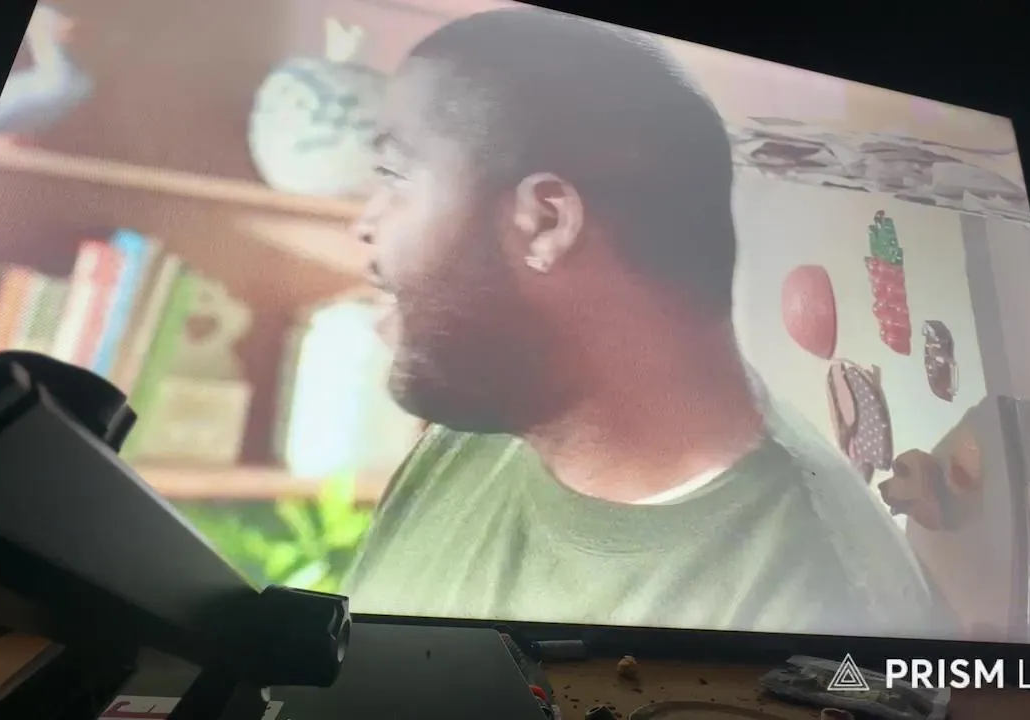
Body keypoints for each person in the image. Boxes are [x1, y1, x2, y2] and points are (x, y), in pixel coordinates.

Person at [343, 7, 943, 638]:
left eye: (395, 175)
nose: (363, 223)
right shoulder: (475, 432)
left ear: (545, 223)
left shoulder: (820, 607)